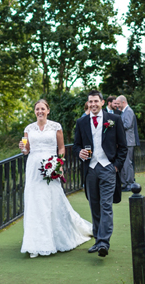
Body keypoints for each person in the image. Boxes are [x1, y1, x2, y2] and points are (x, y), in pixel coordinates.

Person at [18, 99, 92, 258]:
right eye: (37, 109)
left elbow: (61, 148)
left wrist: (58, 164)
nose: (40, 112)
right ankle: (35, 243)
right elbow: (27, 150)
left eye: (42, 109)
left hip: (51, 167)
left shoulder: (56, 127)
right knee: (34, 202)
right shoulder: (28, 129)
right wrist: (23, 149)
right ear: (34, 111)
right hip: (33, 170)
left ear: (48, 110)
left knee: (52, 200)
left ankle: (55, 238)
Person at [73, 91, 127, 257]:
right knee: (94, 205)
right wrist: (79, 152)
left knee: (106, 205)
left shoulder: (114, 120)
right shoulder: (81, 122)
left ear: (102, 102)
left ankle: (104, 242)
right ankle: (97, 240)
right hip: (90, 169)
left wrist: (116, 166)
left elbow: (123, 146)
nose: (93, 104)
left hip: (108, 168)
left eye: (96, 101)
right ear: (88, 104)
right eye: (90, 102)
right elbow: (76, 145)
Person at [116, 95, 140, 190]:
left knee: (127, 163)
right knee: (124, 163)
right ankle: (125, 183)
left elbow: (127, 125)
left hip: (128, 142)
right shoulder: (123, 112)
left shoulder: (129, 111)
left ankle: (130, 183)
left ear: (123, 102)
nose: (117, 105)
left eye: (118, 103)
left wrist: (116, 125)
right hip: (125, 141)